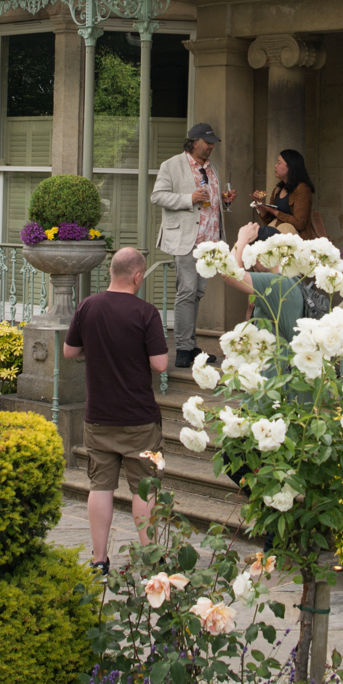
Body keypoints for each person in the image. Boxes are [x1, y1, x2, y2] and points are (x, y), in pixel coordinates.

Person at [63, 247, 170, 574]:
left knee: (100, 486)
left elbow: (70, 352)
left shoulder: (88, 307)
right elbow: (160, 364)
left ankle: (99, 560)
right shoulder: (146, 313)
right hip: (139, 419)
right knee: (144, 487)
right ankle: (151, 557)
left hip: (98, 418)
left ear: (112, 272)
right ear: (137, 276)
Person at [151, 123, 230, 369]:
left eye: (213, 142)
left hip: (210, 242)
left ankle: (191, 343)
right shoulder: (171, 165)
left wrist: (224, 201)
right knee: (186, 292)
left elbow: (212, 202)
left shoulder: (212, 168)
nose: (212, 146)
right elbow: (157, 196)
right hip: (187, 241)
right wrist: (189, 198)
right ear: (194, 141)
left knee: (198, 293)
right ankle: (183, 349)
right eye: (208, 142)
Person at [251, 149, 318, 239]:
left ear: (290, 166)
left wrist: (274, 211)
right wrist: (261, 204)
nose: (275, 166)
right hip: (276, 237)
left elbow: (300, 224)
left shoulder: (302, 189)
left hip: (294, 241)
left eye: (279, 163)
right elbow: (269, 222)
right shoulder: (277, 190)